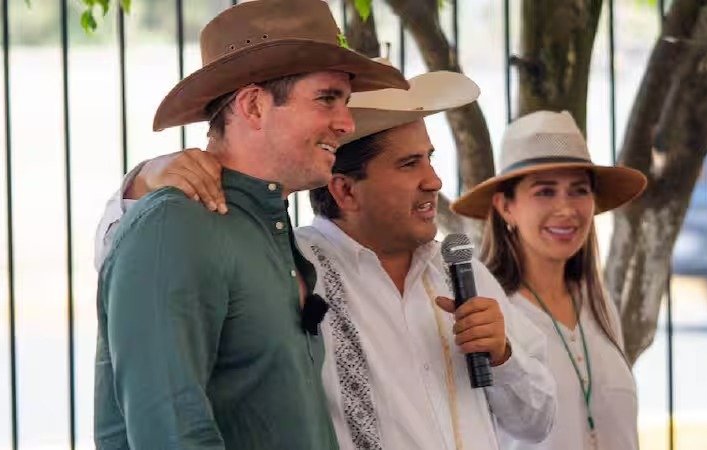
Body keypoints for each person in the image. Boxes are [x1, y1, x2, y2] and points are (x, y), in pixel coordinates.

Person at [96, 68, 557, 450]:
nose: (434, 181)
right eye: (409, 164)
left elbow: (537, 424)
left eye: (430, 159)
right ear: (345, 190)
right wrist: (142, 184)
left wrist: (503, 356)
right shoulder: (296, 262)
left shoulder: (460, 273)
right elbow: (134, 262)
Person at [93, 0, 408, 448]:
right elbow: (172, 435)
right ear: (254, 106)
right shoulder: (175, 225)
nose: (346, 123)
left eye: (346, 102)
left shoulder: (266, 228)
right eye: (327, 99)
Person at [451, 110, 647, 450]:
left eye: (579, 190)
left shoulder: (598, 304)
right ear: (506, 207)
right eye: (545, 192)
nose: (566, 209)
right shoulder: (489, 312)